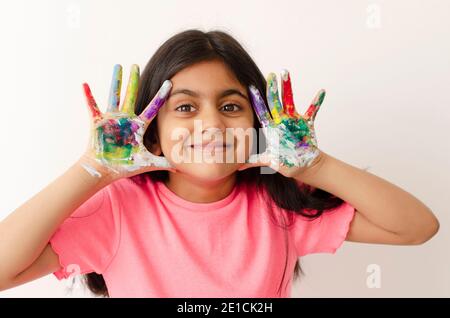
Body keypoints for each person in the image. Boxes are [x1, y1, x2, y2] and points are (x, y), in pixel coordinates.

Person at [0, 29, 439, 297]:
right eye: (186, 109)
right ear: (150, 127)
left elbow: (418, 227)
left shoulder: (278, 202)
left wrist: (314, 165)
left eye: (230, 107)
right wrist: (92, 171)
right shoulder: (117, 208)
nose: (210, 124)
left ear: (259, 121)